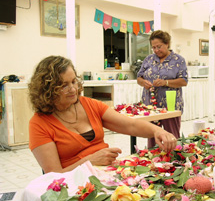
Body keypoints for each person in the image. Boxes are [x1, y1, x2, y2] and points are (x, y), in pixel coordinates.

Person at [28, 56, 177, 173]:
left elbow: (130, 125)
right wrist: (90, 161)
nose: (73, 89)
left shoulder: (89, 104)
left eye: (73, 81)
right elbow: (55, 175)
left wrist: (158, 131)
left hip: (106, 173)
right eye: (64, 85)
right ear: (47, 89)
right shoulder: (39, 124)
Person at [137, 30, 188, 148]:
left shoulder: (178, 60)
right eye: (153, 47)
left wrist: (166, 82)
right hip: (151, 106)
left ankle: (174, 161)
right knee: (152, 137)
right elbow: (139, 77)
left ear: (167, 44)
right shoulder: (148, 59)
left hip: (170, 106)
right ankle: (153, 161)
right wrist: (143, 82)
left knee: (172, 136)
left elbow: (184, 81)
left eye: (159, 46)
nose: (156, 50)